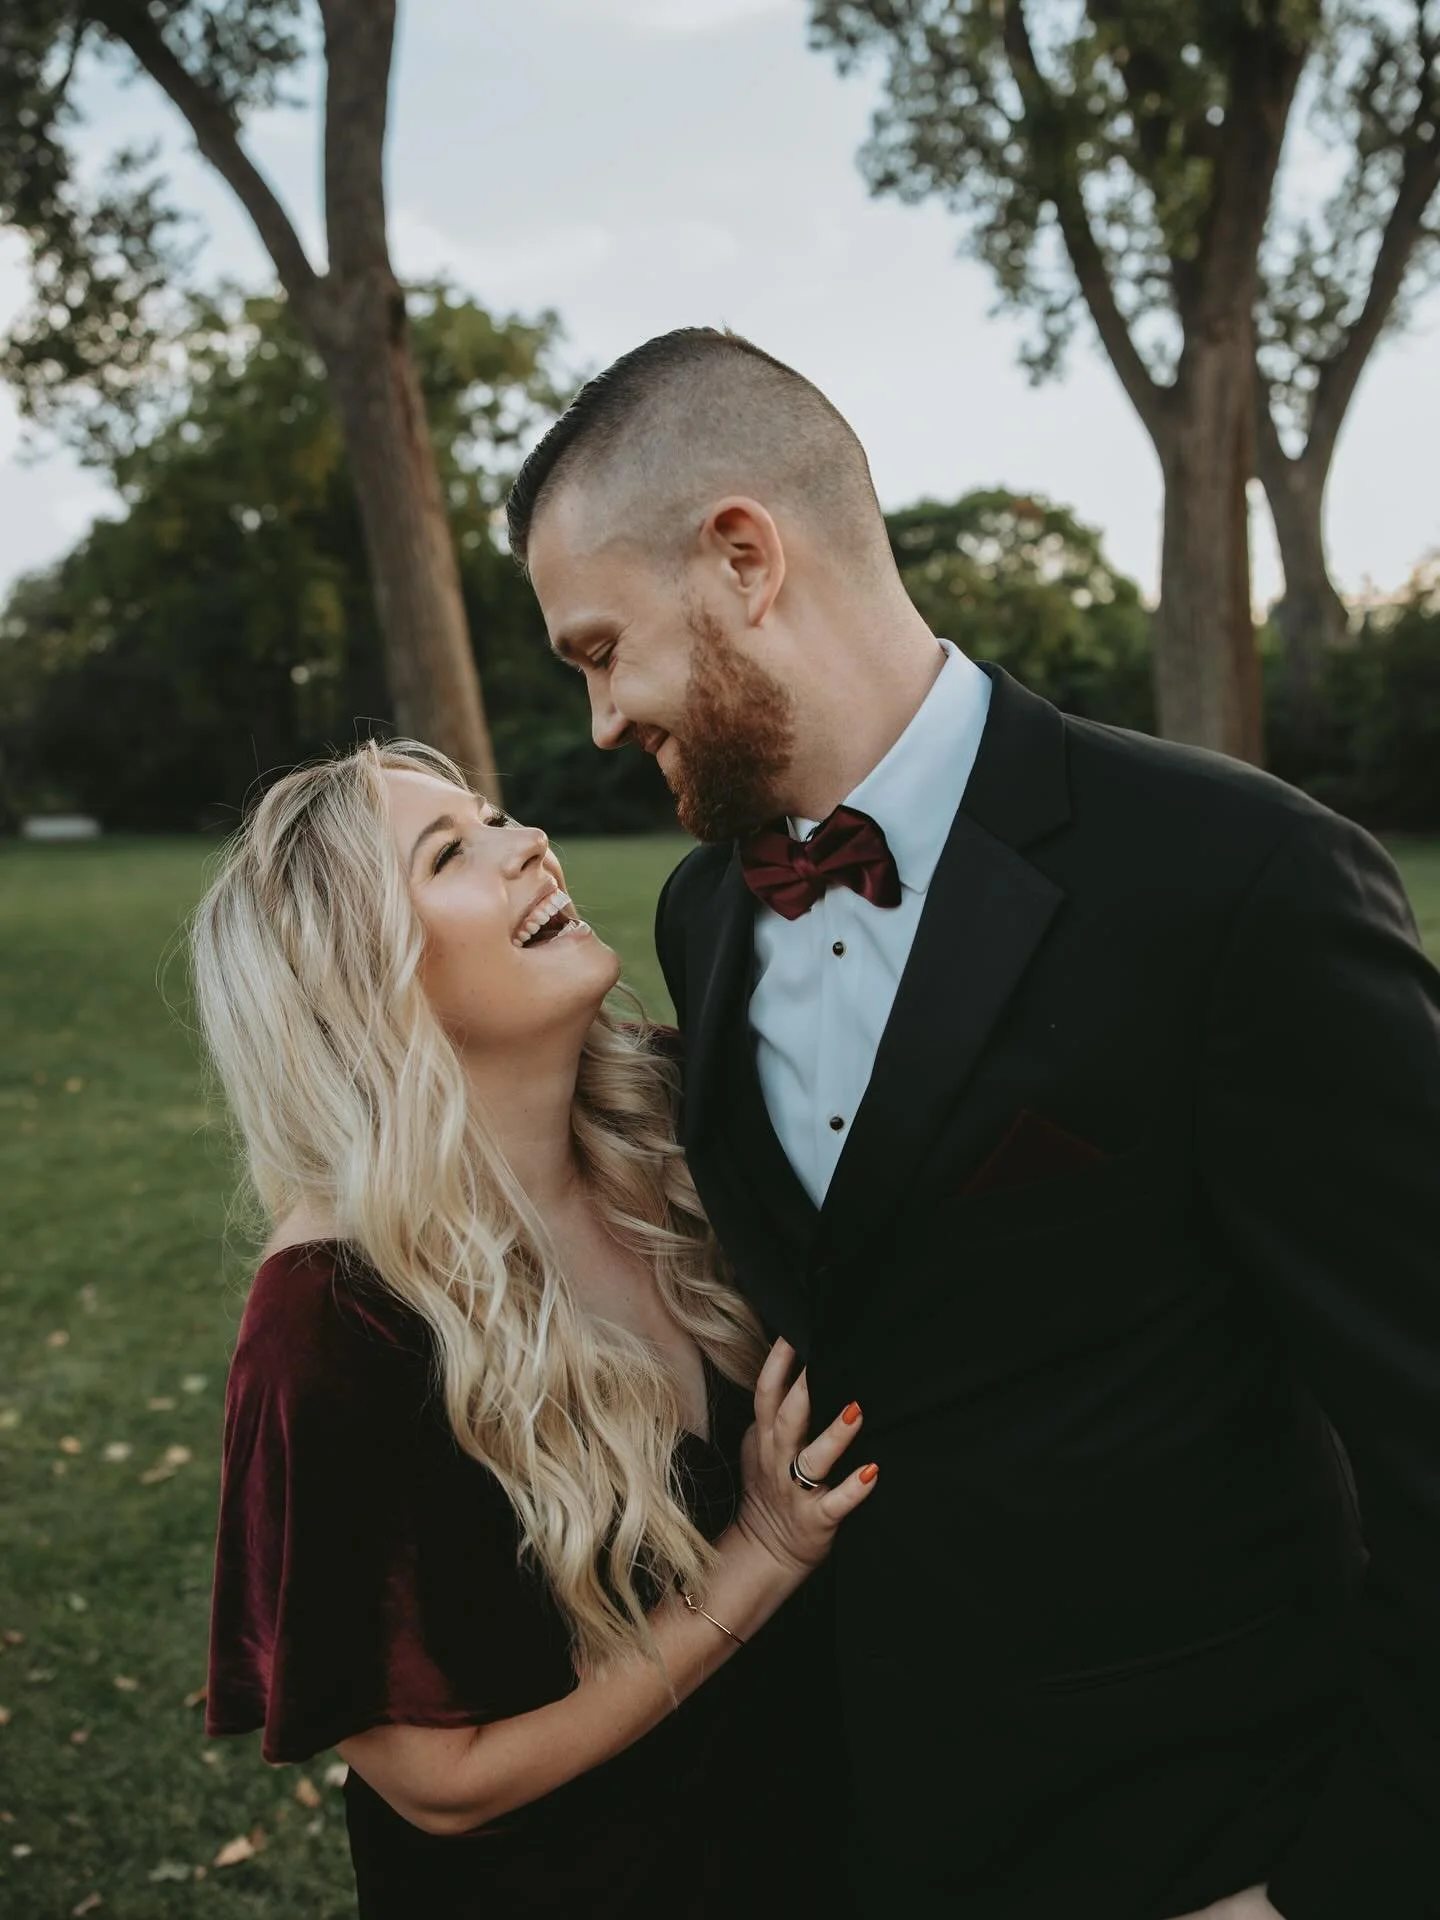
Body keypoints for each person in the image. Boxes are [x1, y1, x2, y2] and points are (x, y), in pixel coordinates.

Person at [506, 327, 1440, 1920]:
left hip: (1205, 1835)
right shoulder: (700, 915)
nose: (599, 720)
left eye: (602, 649)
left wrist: (1339, 1881)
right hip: (866, 1819)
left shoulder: (1239, 881)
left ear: (743, 557)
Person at [191, 739, 876, 1919]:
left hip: (826, 1845)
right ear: (364, 978)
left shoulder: (679, 1114)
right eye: (453, 851)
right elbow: (438, 1787)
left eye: (500, 815)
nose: (529, 845)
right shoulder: (334, 1317)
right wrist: (757, 1555)